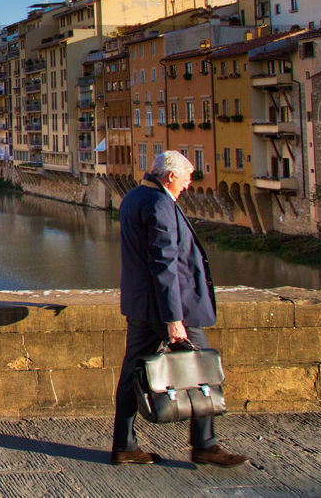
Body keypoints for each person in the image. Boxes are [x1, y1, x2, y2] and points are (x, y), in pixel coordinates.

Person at [110, 150, 249, 467]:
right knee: (204, 371)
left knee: (133, 374)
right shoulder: (160, 204)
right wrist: (174, 319)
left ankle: (124, 445)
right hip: (166, 308)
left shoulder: (133, 197)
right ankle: (205, 445)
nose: (188, 185)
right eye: (186, 179)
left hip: (140, 305)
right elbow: (165, 264)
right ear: (170, 176)